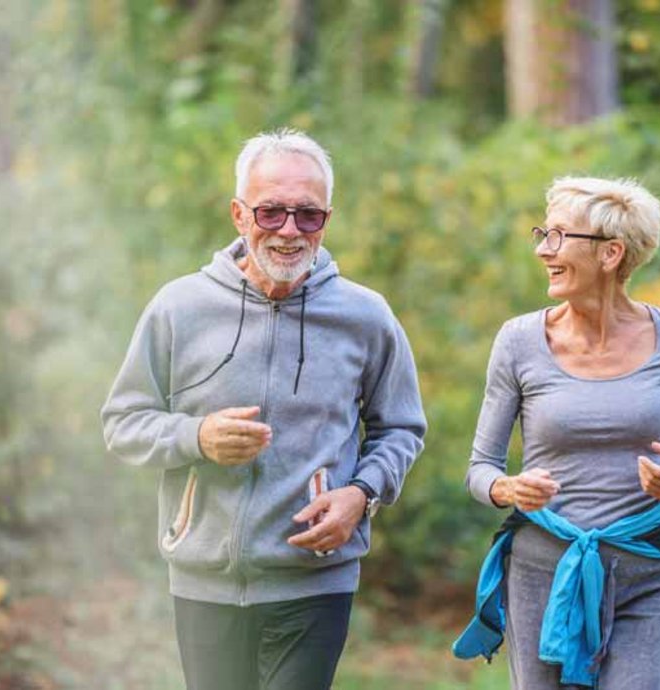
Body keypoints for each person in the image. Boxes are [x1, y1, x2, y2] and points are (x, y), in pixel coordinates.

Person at [101, 128, 426, 690]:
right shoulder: (180, 307)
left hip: (316, 578)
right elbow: (122, 422)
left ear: (327, 218)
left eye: (308, 215)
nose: (289, 231)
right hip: (202, 577)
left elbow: (401, 427)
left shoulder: (365, 315)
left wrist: (362, 494)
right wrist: (196, 437)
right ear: (238, 213)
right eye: (271, 212)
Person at [453, 177, 660, 689]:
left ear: (611, 253)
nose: (543, 249)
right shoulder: (519, 341)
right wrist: (508, 489)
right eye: (544, 233)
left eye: (561, 236)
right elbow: (480, 469)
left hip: (648, 572)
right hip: (542, 574)